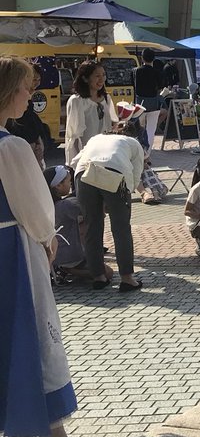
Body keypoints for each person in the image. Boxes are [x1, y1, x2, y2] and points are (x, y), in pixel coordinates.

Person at [0, 56, 83, 437]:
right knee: (28, 341)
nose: (30, 95)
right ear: (8, 91)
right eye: (26, 88)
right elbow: (37, 210)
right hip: (11, 253)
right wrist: (49, 240)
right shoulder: (8, 146)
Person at [72, 108, 146, 291]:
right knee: (121, 229)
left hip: (84, 174)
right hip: (116, 175)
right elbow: (136, 176)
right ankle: (127, 279)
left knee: (92, 227)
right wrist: (121, 200)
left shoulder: (95, 138)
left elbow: (75, 162)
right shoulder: (133, 143)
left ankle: (98, 276)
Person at [44, 165, 105, 284]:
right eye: (68, 181)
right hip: (68, 254)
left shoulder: (49, 204)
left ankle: (64, 268)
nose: (71, 184)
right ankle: (67, 269)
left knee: (81, 222)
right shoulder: (65, 206)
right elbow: (91, 214)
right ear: (58, 185)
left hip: (53, 250)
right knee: (106, 273)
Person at [64, 59, 115, 167]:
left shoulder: (106, 98)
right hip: (85, 160)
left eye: (103, 75)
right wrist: (75, 165)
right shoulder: (77, 101)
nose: (101, 79)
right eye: (97, 76)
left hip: (106, 156)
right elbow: (73, 137)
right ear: (85, 78)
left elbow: (113, 125)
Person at [133, 48, 164, 155]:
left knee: (139, 129)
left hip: (139, 103)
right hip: (154, 104)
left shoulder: (136, 71)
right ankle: (147, 154)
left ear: (142, 57)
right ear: (154, 59)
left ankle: (138, 152)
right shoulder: (157, 72)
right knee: (151, 130)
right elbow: (161, 87)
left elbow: (134, 87)